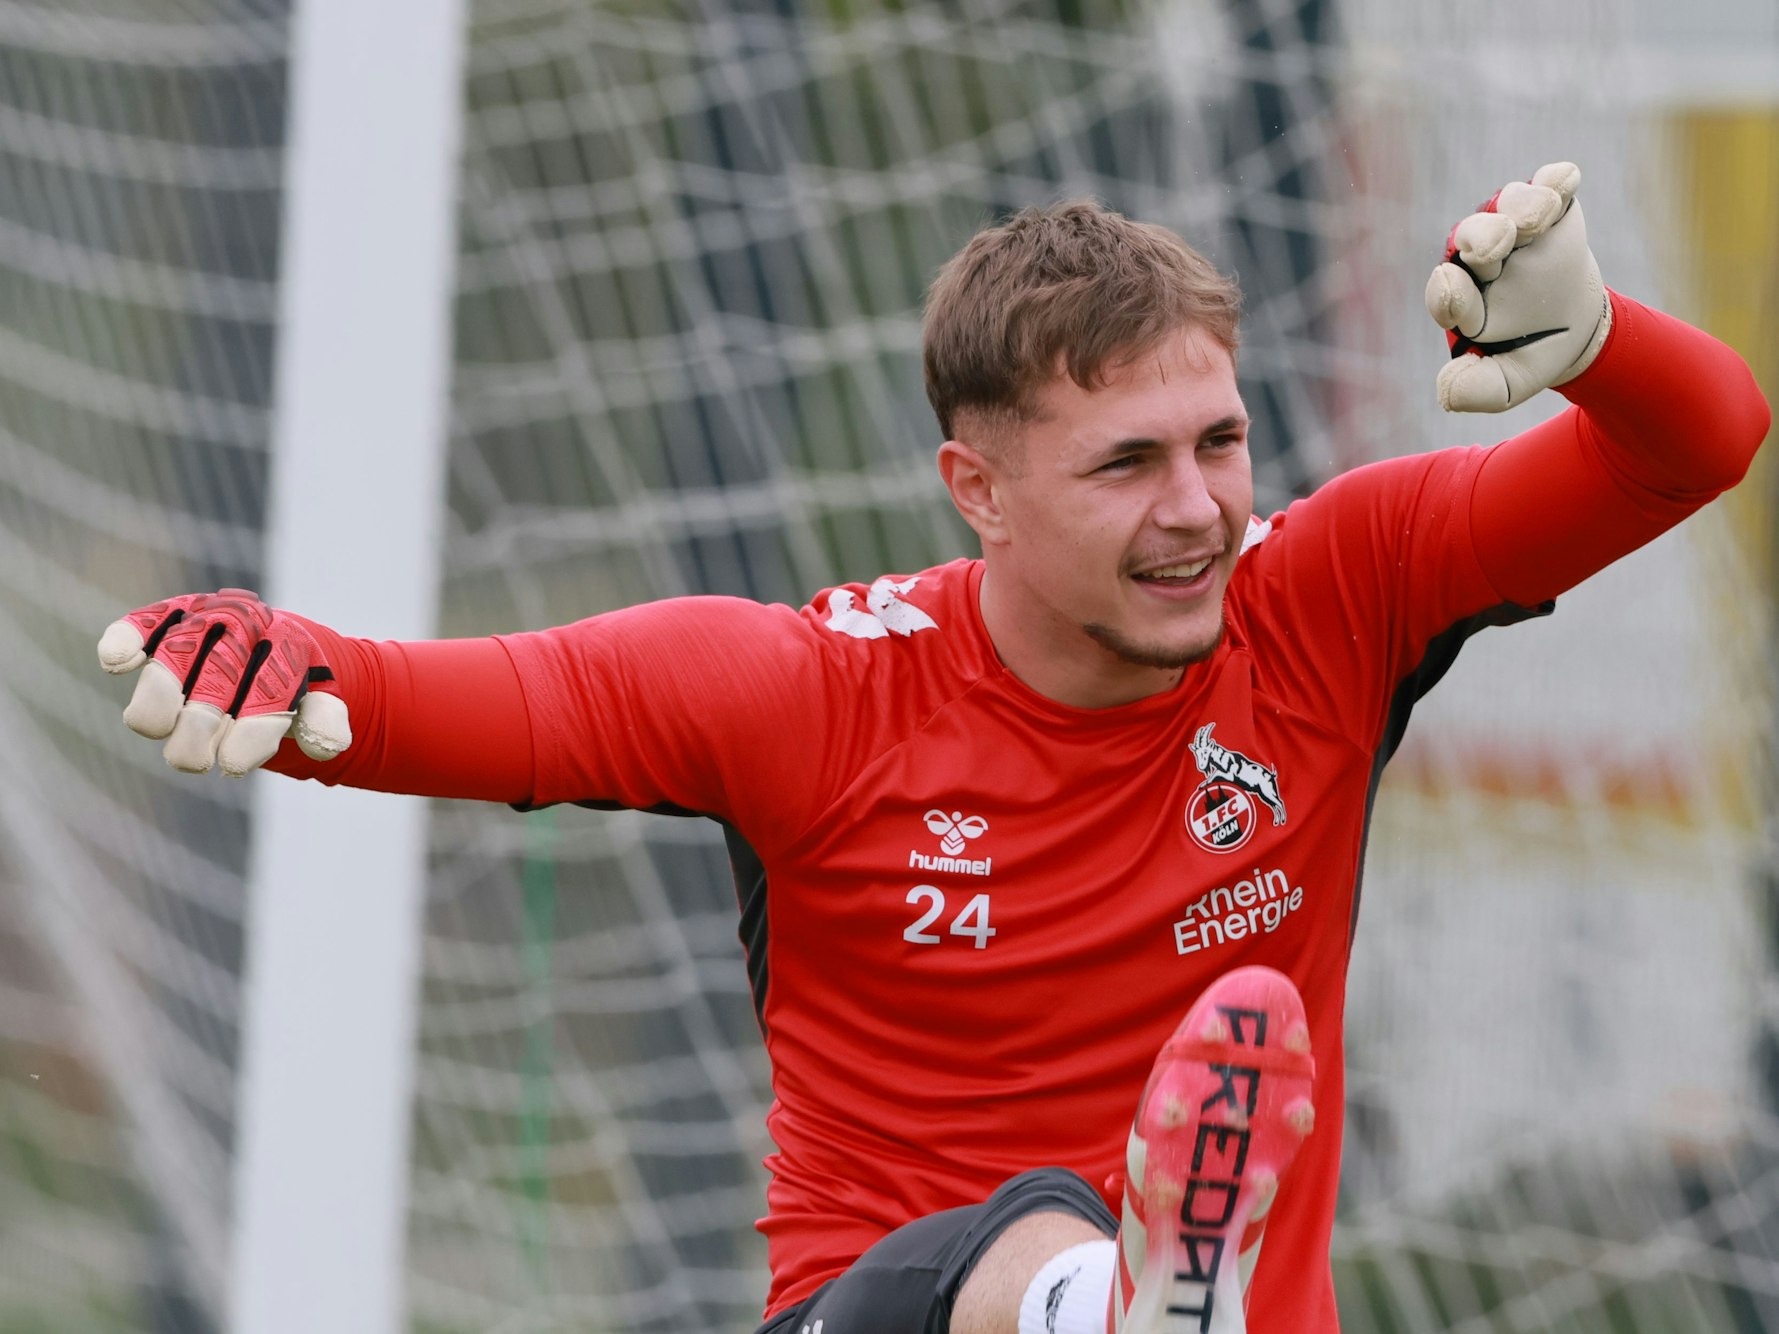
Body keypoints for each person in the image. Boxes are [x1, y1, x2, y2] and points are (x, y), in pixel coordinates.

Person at [97, 163, 1769, 1334]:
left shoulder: (1330, 594)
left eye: (1222, 440)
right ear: (978, 493)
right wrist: (281, 663)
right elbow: (424, 697)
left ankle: (1141, 1299)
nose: (1196, 508)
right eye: (1125, 464)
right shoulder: (810, 691)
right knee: (1029, 1228)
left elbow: (1705, 441)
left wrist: (1602, 338)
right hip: (869, 1314)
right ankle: (1110, 1299)